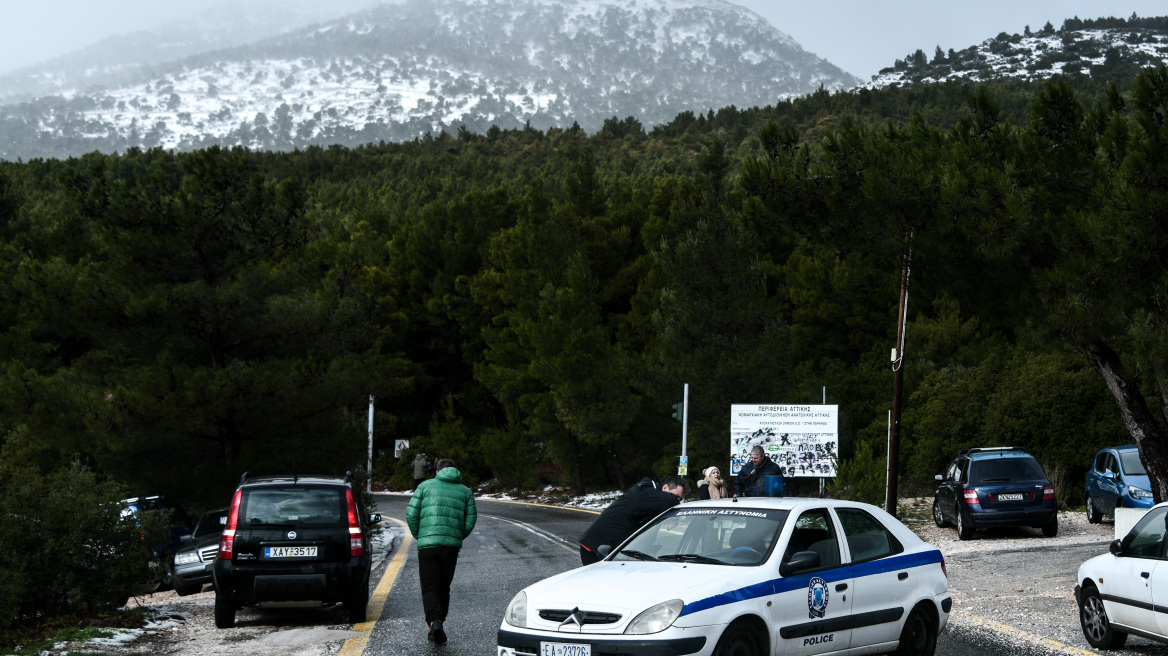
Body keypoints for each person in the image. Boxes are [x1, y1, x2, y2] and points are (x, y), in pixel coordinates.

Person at [406, 458, 477, 645]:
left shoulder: (424, 486)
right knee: (443, 587)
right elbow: (470, 520)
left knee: (429, 587)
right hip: (450, 547)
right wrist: (457, 536)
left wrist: (420, 535)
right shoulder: (465, 491)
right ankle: (440, 623)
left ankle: (434, 622)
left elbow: (411, 513)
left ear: (436, 471)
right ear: (455, 470)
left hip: (427, 546)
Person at [578, 475, 688, 565]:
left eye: (680, 500)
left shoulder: (653, 502)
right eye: (676, 497)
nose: (677, 501)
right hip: (595, 548)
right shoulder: (644, 491)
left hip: (611, 551)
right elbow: (668, 500)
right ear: (665, 488)